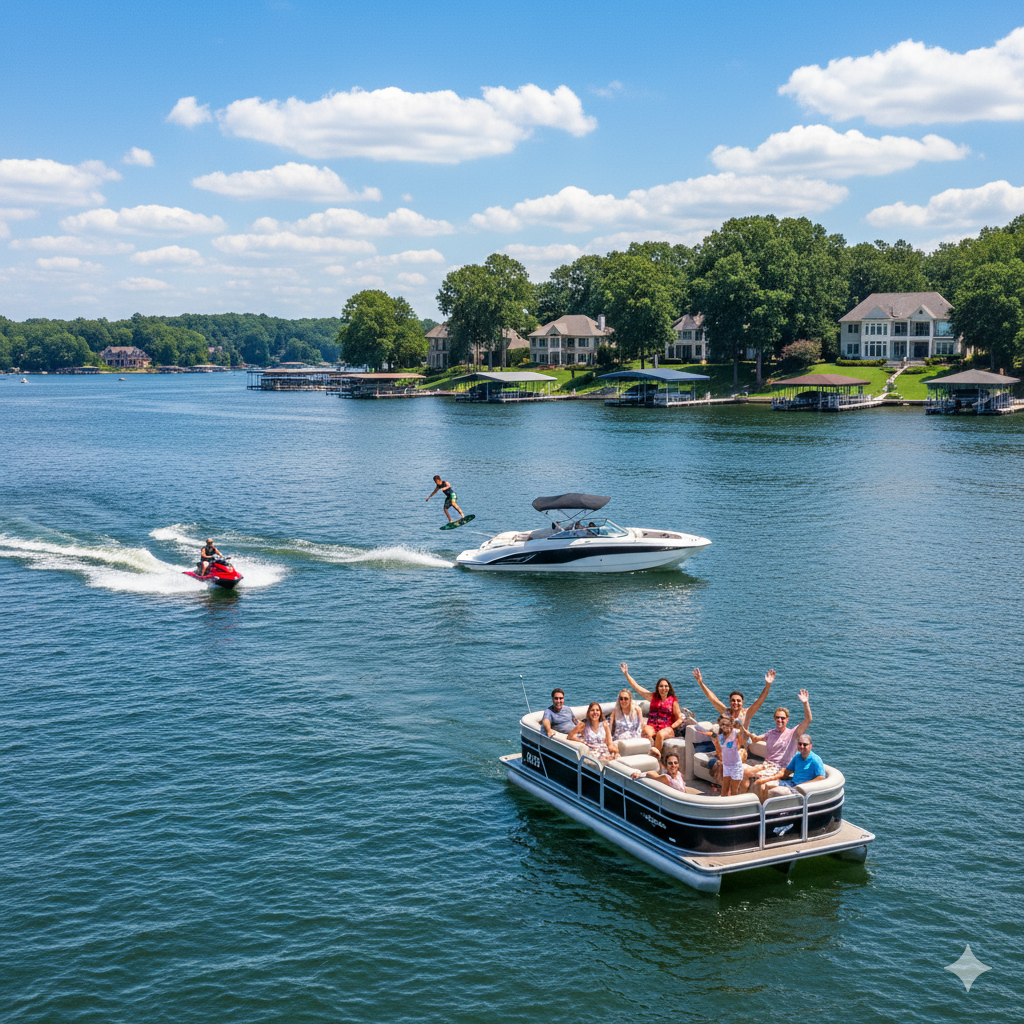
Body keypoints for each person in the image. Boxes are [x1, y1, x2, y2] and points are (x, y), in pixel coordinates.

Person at [692, 667, 775, 787]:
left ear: (742, 702)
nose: (736, 703)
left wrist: (768, 685)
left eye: (738, 701)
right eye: (733, 701)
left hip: (742, 748)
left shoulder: (747, 713)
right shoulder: (725, 713)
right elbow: (712, 698)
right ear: (730, 702)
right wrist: (700, 682)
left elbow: (760, 700)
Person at [745, 690, 812, 797]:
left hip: (781, 768)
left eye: (783, 718)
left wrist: (805, 703)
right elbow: (756, 739)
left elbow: (808, 720)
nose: (780, 720)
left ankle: (759, 809)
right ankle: (740, 799)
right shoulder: (770, 733)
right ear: (774, 719)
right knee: (743, 773)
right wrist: (747, 732)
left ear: (787, 720)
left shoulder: (793, 734)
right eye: (777, 717)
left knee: (759, 784)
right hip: (767, 765)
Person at [620, 662, 684, 756]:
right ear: (658, 688)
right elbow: (637, 687)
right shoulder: (653, 697)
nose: (663, 688)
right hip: (652, 725)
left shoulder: (673, 701)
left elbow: (679, 718)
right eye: (661, 686)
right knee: (646, 731)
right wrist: (626, 674)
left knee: (660, 735)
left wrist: (672, 726)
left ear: (669, 688)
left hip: (667, 728)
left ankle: (656, 758)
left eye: (666, 686)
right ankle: (643, 754)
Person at [757, 733, 826, 800]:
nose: (802, 746)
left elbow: (821, 777)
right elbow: (788, 771)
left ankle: (768, 808)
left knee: (772, 792)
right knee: (765, 785)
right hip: (791, 782)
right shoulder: (797, 757)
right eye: (800, 744)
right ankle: (763, 808)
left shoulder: (815, 759)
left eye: (805, 745)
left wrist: (802, 785)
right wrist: (774, 777)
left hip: (800, 789)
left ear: (810, 746)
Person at [708, 714, 753, 797]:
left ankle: (733, 807)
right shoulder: (720, 737)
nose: (724, 726)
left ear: (730, 725)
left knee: (733, 791)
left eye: (726, 724)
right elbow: (719, 752)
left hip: (736, 766)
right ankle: (723, 807)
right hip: (726, 766)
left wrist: (739, 726)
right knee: (724, 790)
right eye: (722, 725)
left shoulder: (735, 734)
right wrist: (715, 741)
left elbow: (741, 742)